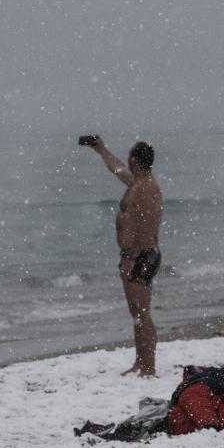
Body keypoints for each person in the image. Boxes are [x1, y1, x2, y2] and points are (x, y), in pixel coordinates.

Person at [86, 136, 164, 376]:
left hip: (140, 257)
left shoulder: (146, 188)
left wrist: (133, 254)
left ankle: (148, 366)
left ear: (135, 160)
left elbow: (147, 224)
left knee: (142, 314)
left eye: (129, 157)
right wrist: (101, 151)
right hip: (136, 257)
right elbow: (117, 169)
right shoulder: (138, 183)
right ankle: (140, 363)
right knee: (137, 314)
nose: (126, 162)